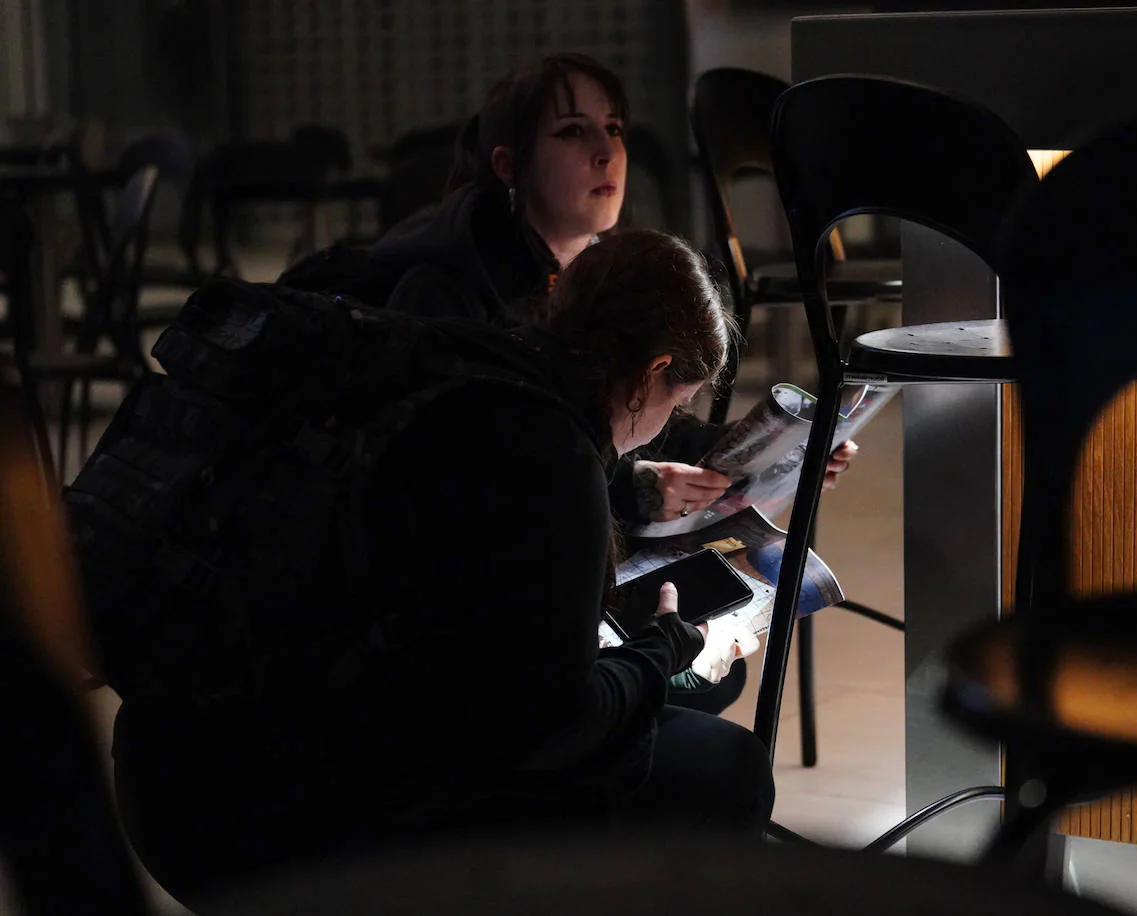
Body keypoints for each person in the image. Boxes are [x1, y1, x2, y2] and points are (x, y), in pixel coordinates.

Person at [105, 231, 775, 903]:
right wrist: (660, 651)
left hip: (165, 763)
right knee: (725, 768)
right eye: (677, 404)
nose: (667, 425)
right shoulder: (550, 454)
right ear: (652, 374)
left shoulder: (462, 362)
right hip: (281, 821)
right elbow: (548, 729)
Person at [369, 54, 860, 713]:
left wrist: (772, 451)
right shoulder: (451, 291)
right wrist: (629, 489)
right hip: (477, 618)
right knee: (690, 674)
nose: (607, 152)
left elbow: (648, 412)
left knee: (709, 648)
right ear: (508, 166)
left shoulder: (606, 263)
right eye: (574, 132)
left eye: (616, 128)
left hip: (572, 568)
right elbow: (483, 480)